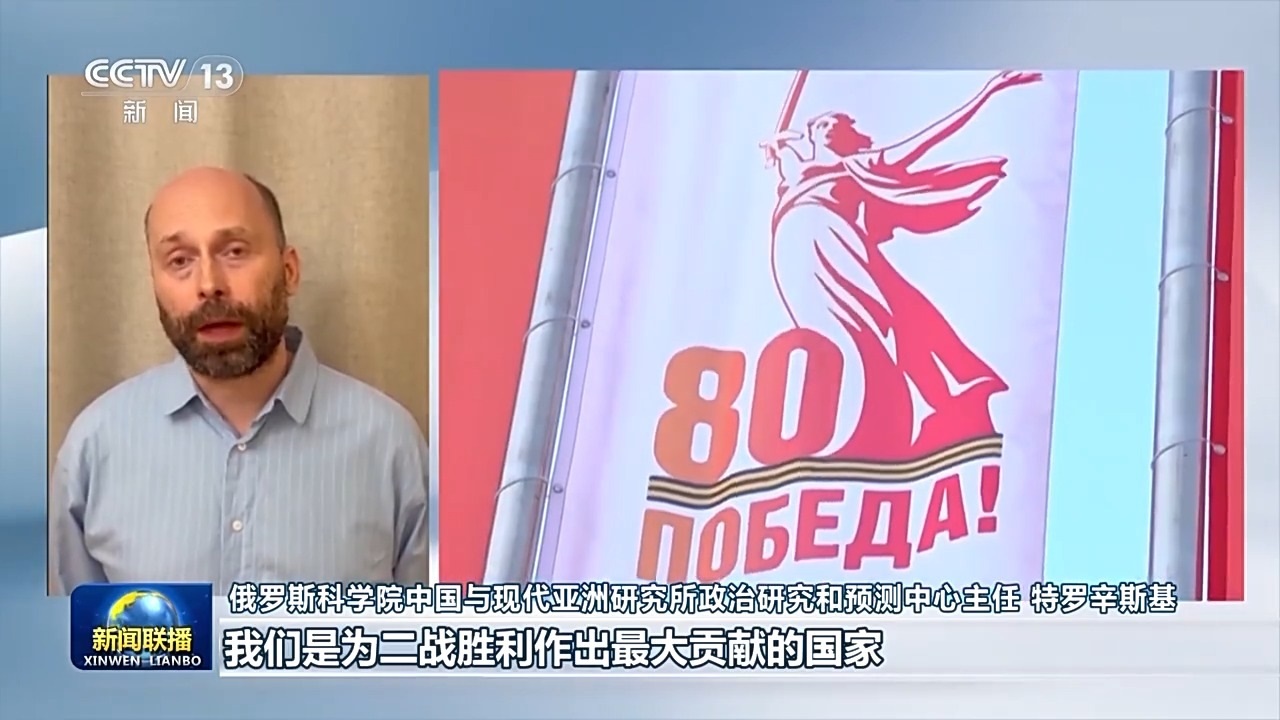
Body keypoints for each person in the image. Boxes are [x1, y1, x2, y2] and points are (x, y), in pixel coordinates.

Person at [49, 166, 430, 594]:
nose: (209, 285)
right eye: (180, 261)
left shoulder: (389, 446)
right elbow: (71, 632)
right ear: (154, 283)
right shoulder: (94, 449)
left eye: (234, 251)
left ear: (289, 271)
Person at [759, 70, 1040, 461]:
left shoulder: (859, 164)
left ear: (840, 134)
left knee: (892, 319)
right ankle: (851, 419)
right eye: (815, 125)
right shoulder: (796, 166)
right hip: (796, 248)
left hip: (834, 242)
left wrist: (985, 94)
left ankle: (922, 408)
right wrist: (774, 148)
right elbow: (783, 147)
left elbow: (928, 139)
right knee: (838, 329)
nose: (815, 127)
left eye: (825, 123)